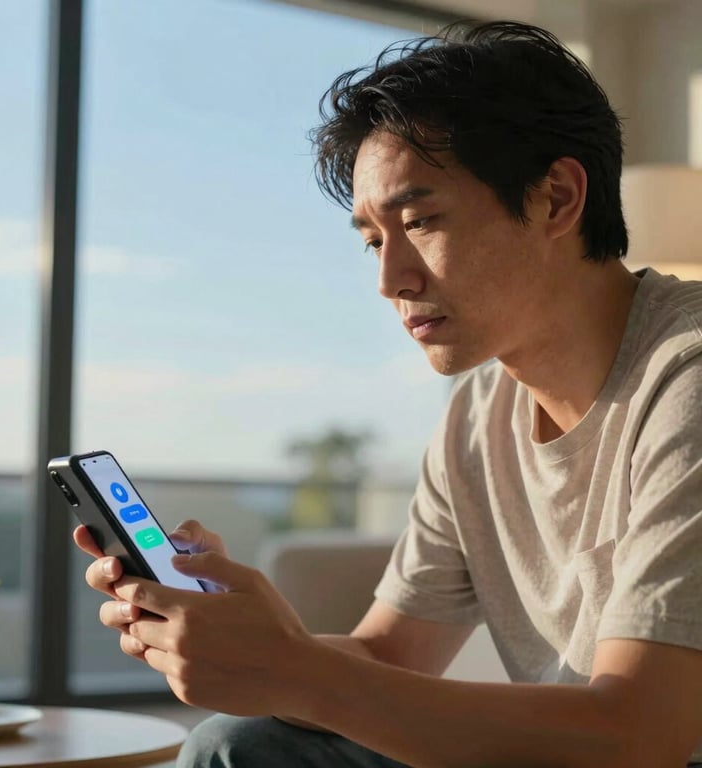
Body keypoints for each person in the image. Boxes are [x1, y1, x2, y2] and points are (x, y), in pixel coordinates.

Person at [74, 20, 702, 768]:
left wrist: (295, 669)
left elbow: (641, 736)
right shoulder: (477, 414)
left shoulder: (685, 379)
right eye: (374, 239)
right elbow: (389, 656)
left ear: (557, 199)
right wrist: (252, 636)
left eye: (421, 221)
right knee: (238, 748)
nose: (390, 279)